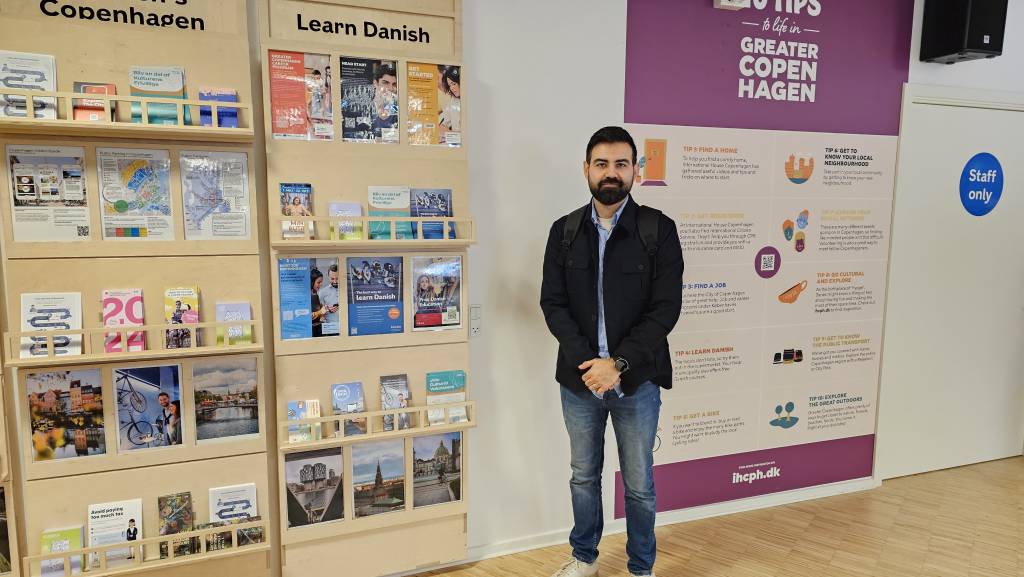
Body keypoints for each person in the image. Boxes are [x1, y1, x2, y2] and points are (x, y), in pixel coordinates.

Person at [539, 126, 683, 577]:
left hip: (636, 381)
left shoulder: (657, 230)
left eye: (622, 164)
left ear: (635, 171)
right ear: (586, 169)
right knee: (584, 477)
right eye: (602, 163)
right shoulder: (564, 233)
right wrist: (591, 365)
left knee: (639, 485)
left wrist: (617, 365)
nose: (611, 173)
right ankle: (584, 558)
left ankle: (641, 567)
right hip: (580, 383)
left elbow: (665, 310)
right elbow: (553, 304)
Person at [371, 62, 399, 138]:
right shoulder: (365, 107)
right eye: (385, 83)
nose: (390, 88)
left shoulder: (398, 109)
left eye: (394, 84)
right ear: (375, 83)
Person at [318, 264, 341, 335]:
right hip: (332, 330)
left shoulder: (348, 290)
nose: (335, 281)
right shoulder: (322, 292)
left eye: (337, 278)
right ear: (328, 277)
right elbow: (318, 313)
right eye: (332, 279)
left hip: (347, 327)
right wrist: (327, 309)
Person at [310, 268, 326, 337]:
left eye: (321, 282)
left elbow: (318, 308)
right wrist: (320, 312)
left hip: (317, 329)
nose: (321, 285)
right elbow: (306, 316)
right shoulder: (305, 296)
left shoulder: (315, 293)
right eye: (318, 282)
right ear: (312, 282)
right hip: (311, 331)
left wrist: (324, 308)